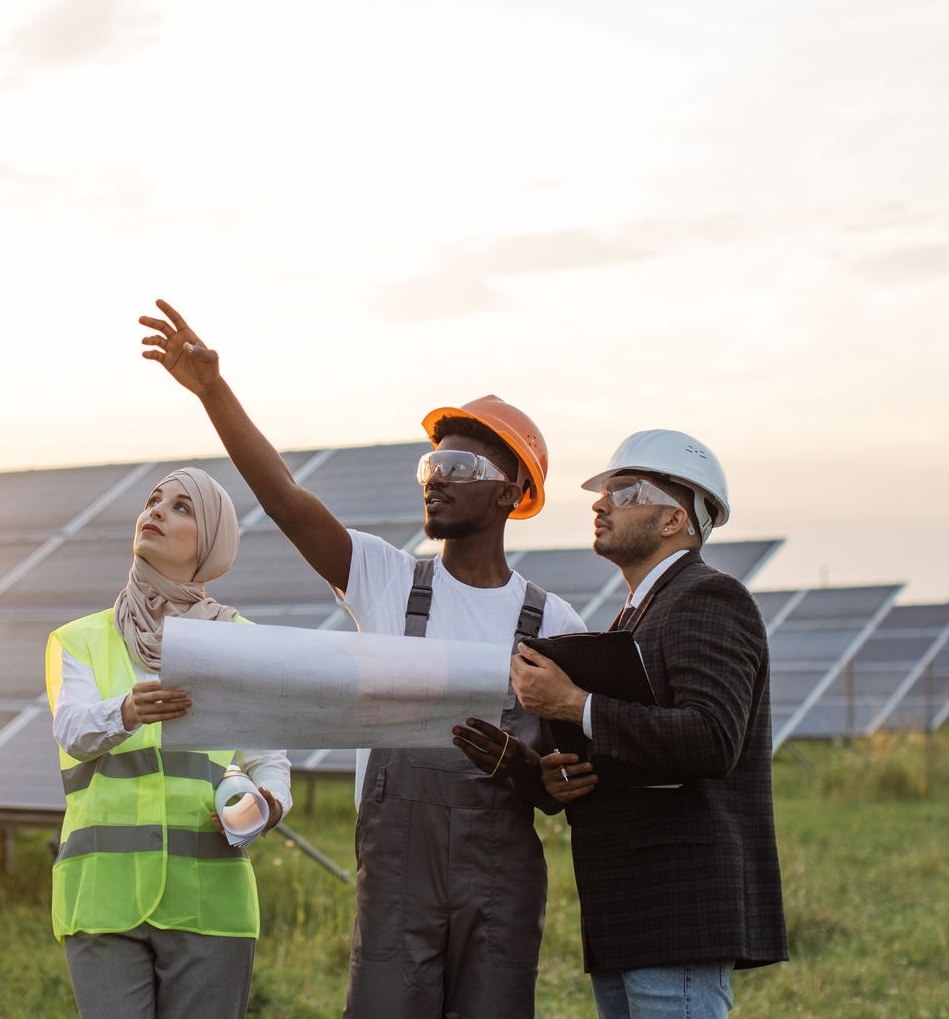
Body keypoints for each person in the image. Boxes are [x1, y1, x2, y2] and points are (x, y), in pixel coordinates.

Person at [139, 300, 586, 1019]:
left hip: (499, 887)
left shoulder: (552, 623)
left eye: (459, 465)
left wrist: (528, 769)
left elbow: (563, 787)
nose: (434, 477)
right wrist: (212, 389)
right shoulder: (387, 579)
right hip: (398, 882)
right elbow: (285, 500)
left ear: (510, 492)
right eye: (431, 462)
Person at [507, 430, 788, 1019]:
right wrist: (572, 768)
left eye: (624, 491)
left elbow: (713, 738)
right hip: (628, 903)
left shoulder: (709, 597)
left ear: (672, 520)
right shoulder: (642, 611)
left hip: (675, 902)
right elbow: (643, 742)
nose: (600, 503)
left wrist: (574, 704)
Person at [46, 466, 292, 1019]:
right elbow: (73, 730)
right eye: (154, 501)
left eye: (182, 507)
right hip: (102, 898)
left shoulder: (240, 641)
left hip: (212, 900)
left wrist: (270, 803)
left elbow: (268, 757)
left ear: (210, 542)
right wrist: (127, 711)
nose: (156, 511)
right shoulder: (78, 640)